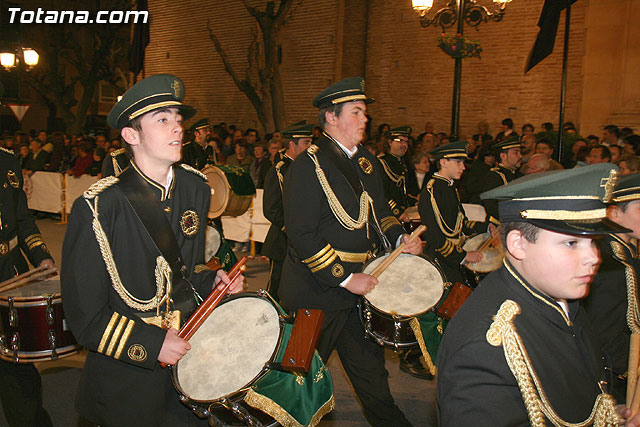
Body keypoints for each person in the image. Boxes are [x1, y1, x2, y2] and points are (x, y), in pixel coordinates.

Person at [61, 74, 244, 427]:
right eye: (162, 120)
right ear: (131, 135)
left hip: (189, 362)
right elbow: (85, 316)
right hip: (125, 373)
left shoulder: (195, 188)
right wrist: (152, 342)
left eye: (178, 119)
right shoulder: (99, 206)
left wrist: (211, 283)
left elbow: (182, 273)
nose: (177, 128)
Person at [437, 164, 639, 426]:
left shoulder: (562, 298)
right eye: (571, 243)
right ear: (518, 244)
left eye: (593, 242)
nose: (593, 258)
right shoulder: (484, 349)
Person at [280, 77, 422, 427]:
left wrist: (399, 239)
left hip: (360, 292)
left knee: (373, 380)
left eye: (364, 113)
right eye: (356, 112)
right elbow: (301, 234)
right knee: (296, 383)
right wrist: (345, 280)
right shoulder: (307, 166)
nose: (365, 119)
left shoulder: (366, 161)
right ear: (331, 117)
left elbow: (379, 212)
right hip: (316, 294)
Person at [0, 146, 55, 426]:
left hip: (10, 275)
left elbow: (23, 221)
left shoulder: (7, 160)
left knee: (18, 366)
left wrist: (41, 256)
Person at [583, 173, 640, 403]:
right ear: (614, 213)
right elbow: (603, 337)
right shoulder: (610, 265)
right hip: (613, 385)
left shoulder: (629, 254)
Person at [262, 122, 313, 302]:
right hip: (283, 241)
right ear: (292, 145)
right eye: (306, 142)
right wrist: (292, 229)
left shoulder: (309, 168)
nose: (311, 147)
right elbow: (271, 209)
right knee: (277, 287)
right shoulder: (278, 171)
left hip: (306, 238)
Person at [377, 126, 411, 219]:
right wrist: (397, 211)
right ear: (390, 142)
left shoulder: (403, 163)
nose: (404, 145)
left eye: (406, 141)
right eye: (400, 141)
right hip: (387, 214)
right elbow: (381, 193)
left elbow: (401, 193)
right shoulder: (382, 163)